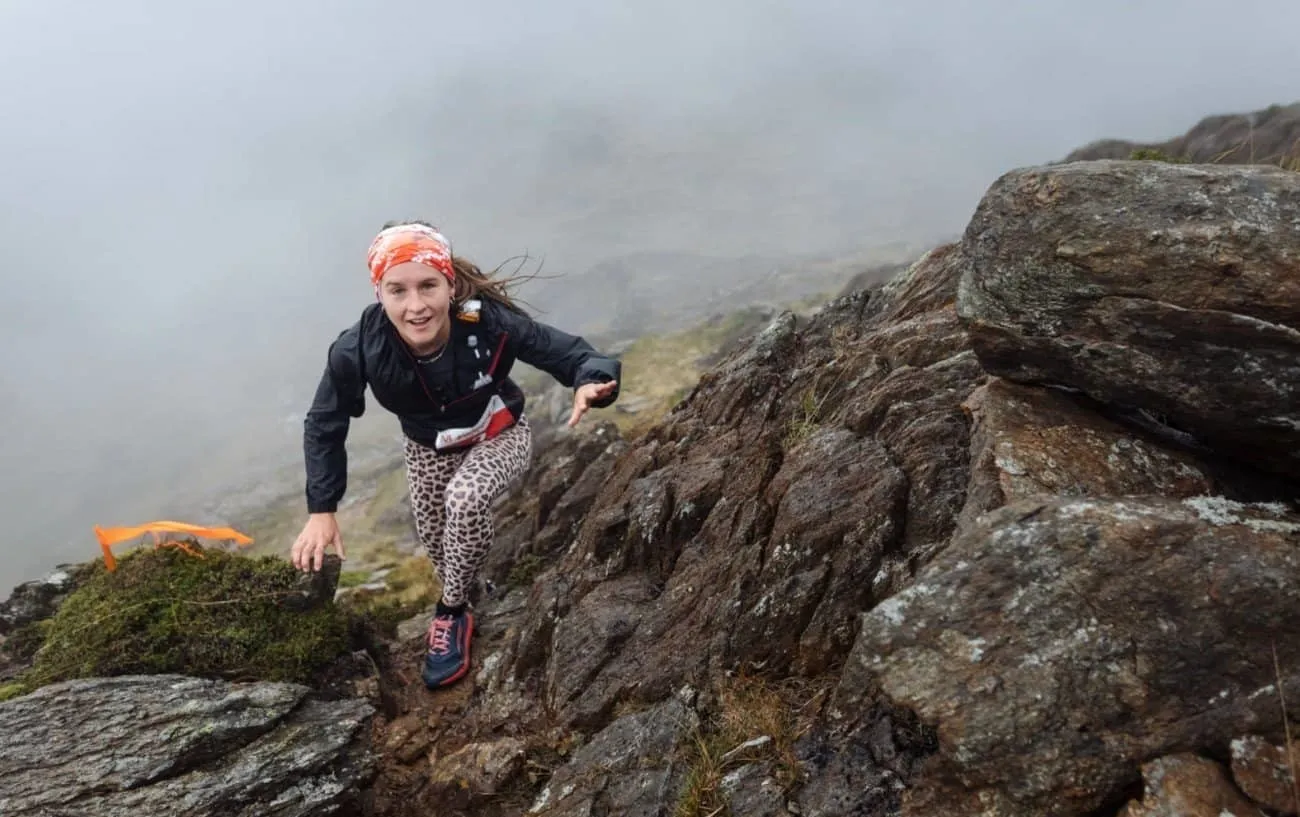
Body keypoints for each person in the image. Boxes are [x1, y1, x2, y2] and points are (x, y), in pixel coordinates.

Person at [290, 220, 620, 689]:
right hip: (427, 446)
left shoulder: (485, 321)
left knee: (464, 501)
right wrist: (321, 509)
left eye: (428, 286)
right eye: (397, 290)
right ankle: (469, 593)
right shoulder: (358, 347)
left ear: (449, 284)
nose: (416, 305)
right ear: (378, 293)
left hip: (499, 430)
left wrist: (592, 381)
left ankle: (450, 615)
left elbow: (564, 352)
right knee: (436, 538)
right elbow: (325, 421)